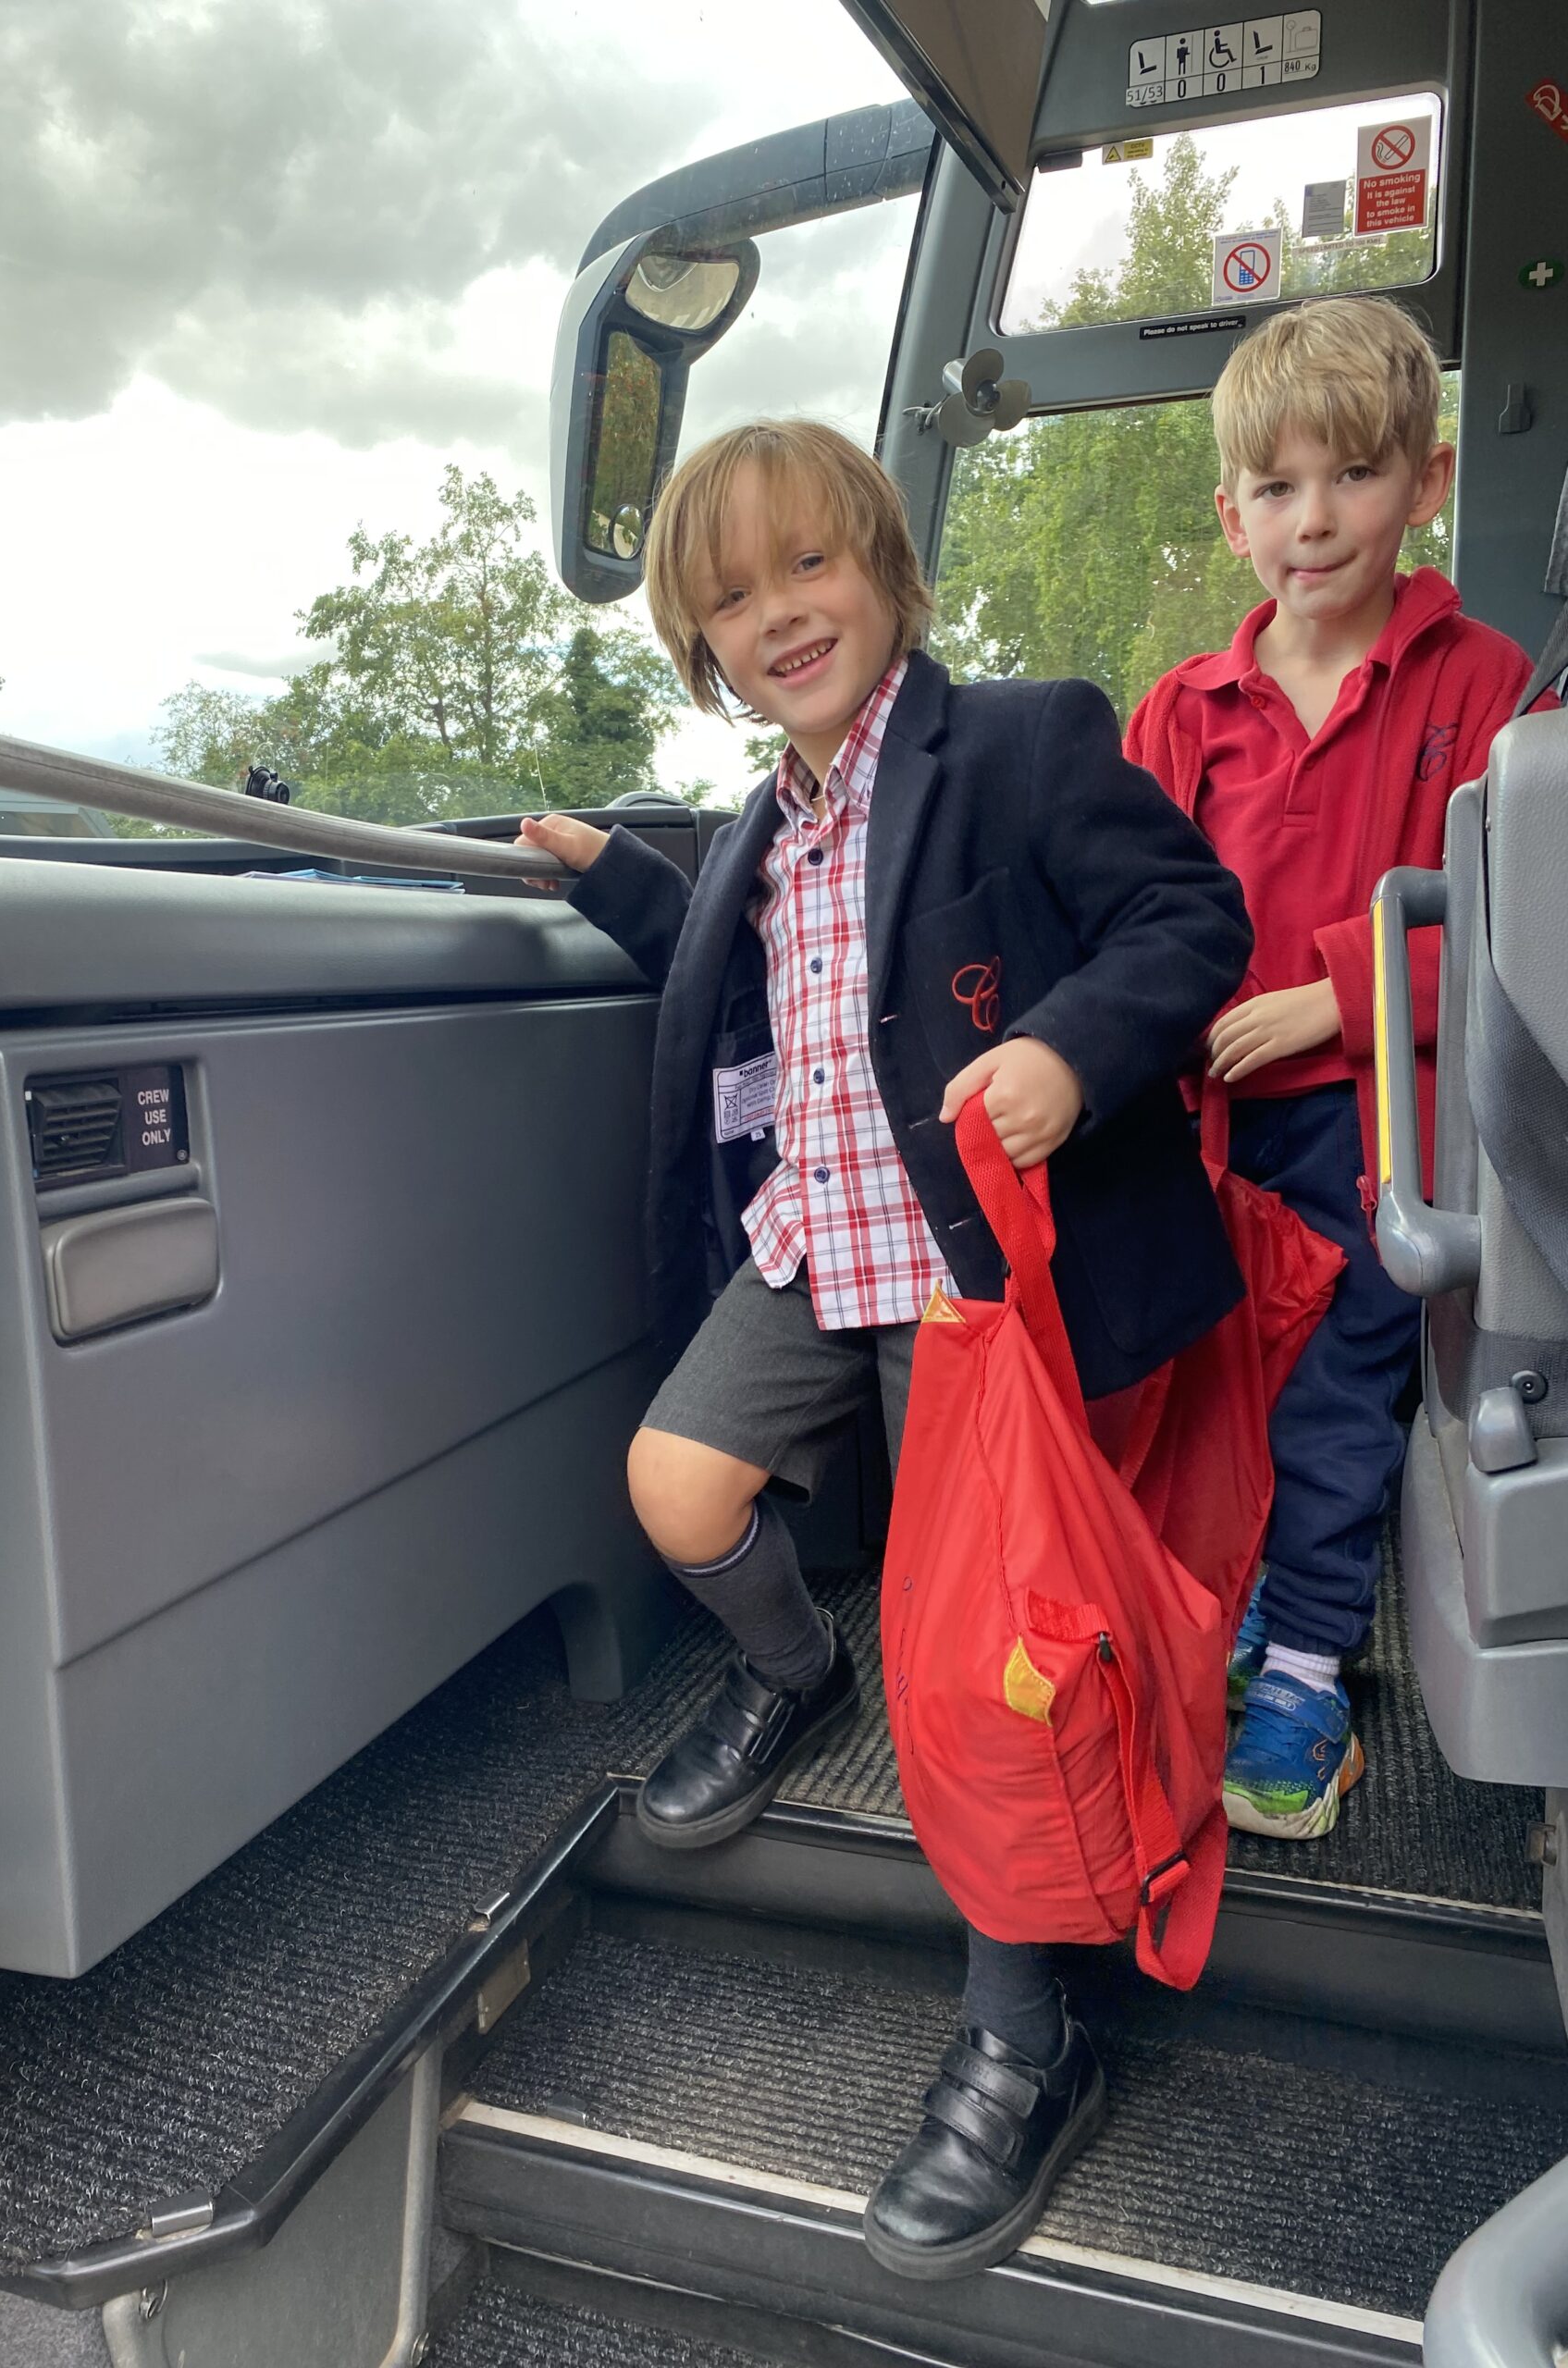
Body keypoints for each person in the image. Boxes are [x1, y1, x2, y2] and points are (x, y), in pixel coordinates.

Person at [518, 418, 1251, 2277]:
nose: (779, 615)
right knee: (676, 1480)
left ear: (884, 568)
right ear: (700, 643)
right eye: (732, 597)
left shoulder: (1017, 741)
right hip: (814, 1243)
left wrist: (1073, 1052)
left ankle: (1030, 2027)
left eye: (807, 569)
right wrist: (615, 877)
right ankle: (793, 1668)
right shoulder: (770, 823)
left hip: (971, 1275)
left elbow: (1190, 916)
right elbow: (745, 969)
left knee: (990, 1655)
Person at [1127, 297, 1537, 1842]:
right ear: (1233, 515)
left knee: (1335, 1398)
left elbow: (1517, 936)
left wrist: (1325, 999)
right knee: (1211, 1385)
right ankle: (1237, 1618)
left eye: (1353, 479)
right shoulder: (1181, 711)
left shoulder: (1480, 687)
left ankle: (1307, 1671)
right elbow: (1130, 921)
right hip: (1204, 1132)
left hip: (1389, 1131)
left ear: (1424, 485)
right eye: (1278, 491)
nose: (1316, 523)